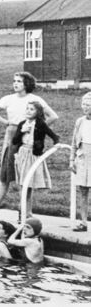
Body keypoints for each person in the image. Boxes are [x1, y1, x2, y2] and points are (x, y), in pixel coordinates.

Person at [0, 72, 58, 219]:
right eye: (14, 81)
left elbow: (53, 116)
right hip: (12, 138)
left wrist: (37, 128)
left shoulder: (35, 99)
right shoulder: (7, 99)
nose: (15, 84)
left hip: (28, 142)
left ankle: (26, 212)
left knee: (26, 178)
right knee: (5, 176)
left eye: (19, 81)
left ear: (27, 84)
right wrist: (6, 123)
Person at [12, 101, 59, 219]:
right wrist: (22, 131)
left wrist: (56, 144)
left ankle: (27, 212)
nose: (28, 111)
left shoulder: (40, 124)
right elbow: (14, 141)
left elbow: (53, 135)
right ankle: (23, 212)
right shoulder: (22, 124)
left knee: (29, 185)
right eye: (27, 108)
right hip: (23, 153)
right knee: (23, 185)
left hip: (33, 155)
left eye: (32, 109)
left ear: (38, 112)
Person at [71, 92, 91, 232]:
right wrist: (72, 159)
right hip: (83, 157)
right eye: (84, 104)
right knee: (83, 191)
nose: (85, 107)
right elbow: (74, 142)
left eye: (88, 105)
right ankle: (83, 222)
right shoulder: (80, 121)